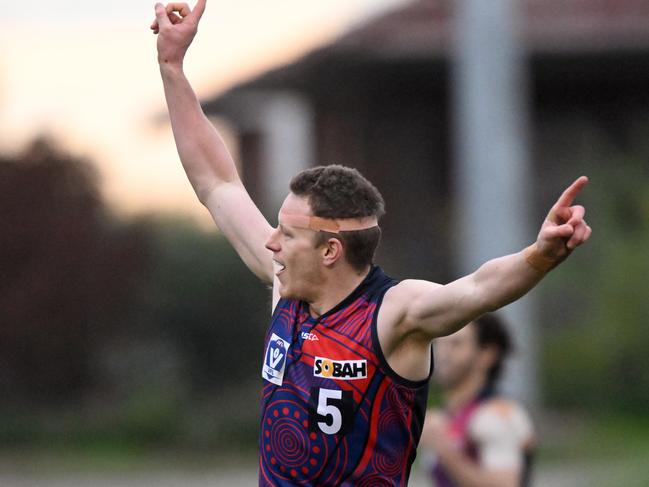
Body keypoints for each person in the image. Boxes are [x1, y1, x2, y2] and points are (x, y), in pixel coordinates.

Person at [150, 1, 592, 485]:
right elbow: (218, 183)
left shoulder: (393, 314)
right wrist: (172, 68)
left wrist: (541, 255)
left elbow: (478, 289)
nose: (271, 242)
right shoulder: (286, 288)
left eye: (289, 233)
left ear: (330, 251)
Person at [420, 313, 535, 487]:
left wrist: (444, 448)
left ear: (487, 355)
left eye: (456, 344)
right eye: (439, 344)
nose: (443, 354)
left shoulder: (497, 415)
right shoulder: (446, 417)